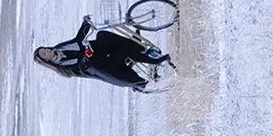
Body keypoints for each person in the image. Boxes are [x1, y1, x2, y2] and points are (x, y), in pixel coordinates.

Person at [33, 16, 172, 91]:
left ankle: (137, 46)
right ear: (47, 61)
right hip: (99, 66)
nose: (48, 51)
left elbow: (77, 40)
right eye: (45, 54)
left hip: (97, 51)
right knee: (122, 55)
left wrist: (85, 24)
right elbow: (81, 68)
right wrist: (86, 56)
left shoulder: (60, 47)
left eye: (45, 49)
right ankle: (155, 61)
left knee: (103, 35)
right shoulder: (63, 69)